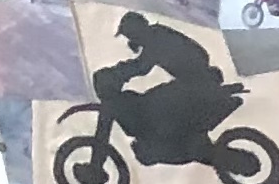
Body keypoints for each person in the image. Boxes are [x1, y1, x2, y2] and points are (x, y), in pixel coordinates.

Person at [90, 14, 239, 165]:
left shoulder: (156, 38)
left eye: (130, 35)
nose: (130, 39)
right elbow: (142, 63)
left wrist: (115, 74)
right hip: (192, 82)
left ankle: (169, 147)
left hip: (195, 83)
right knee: (155, 101)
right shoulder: (155, 35)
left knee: (155, 106)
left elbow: (142, 66)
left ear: (136, 30)